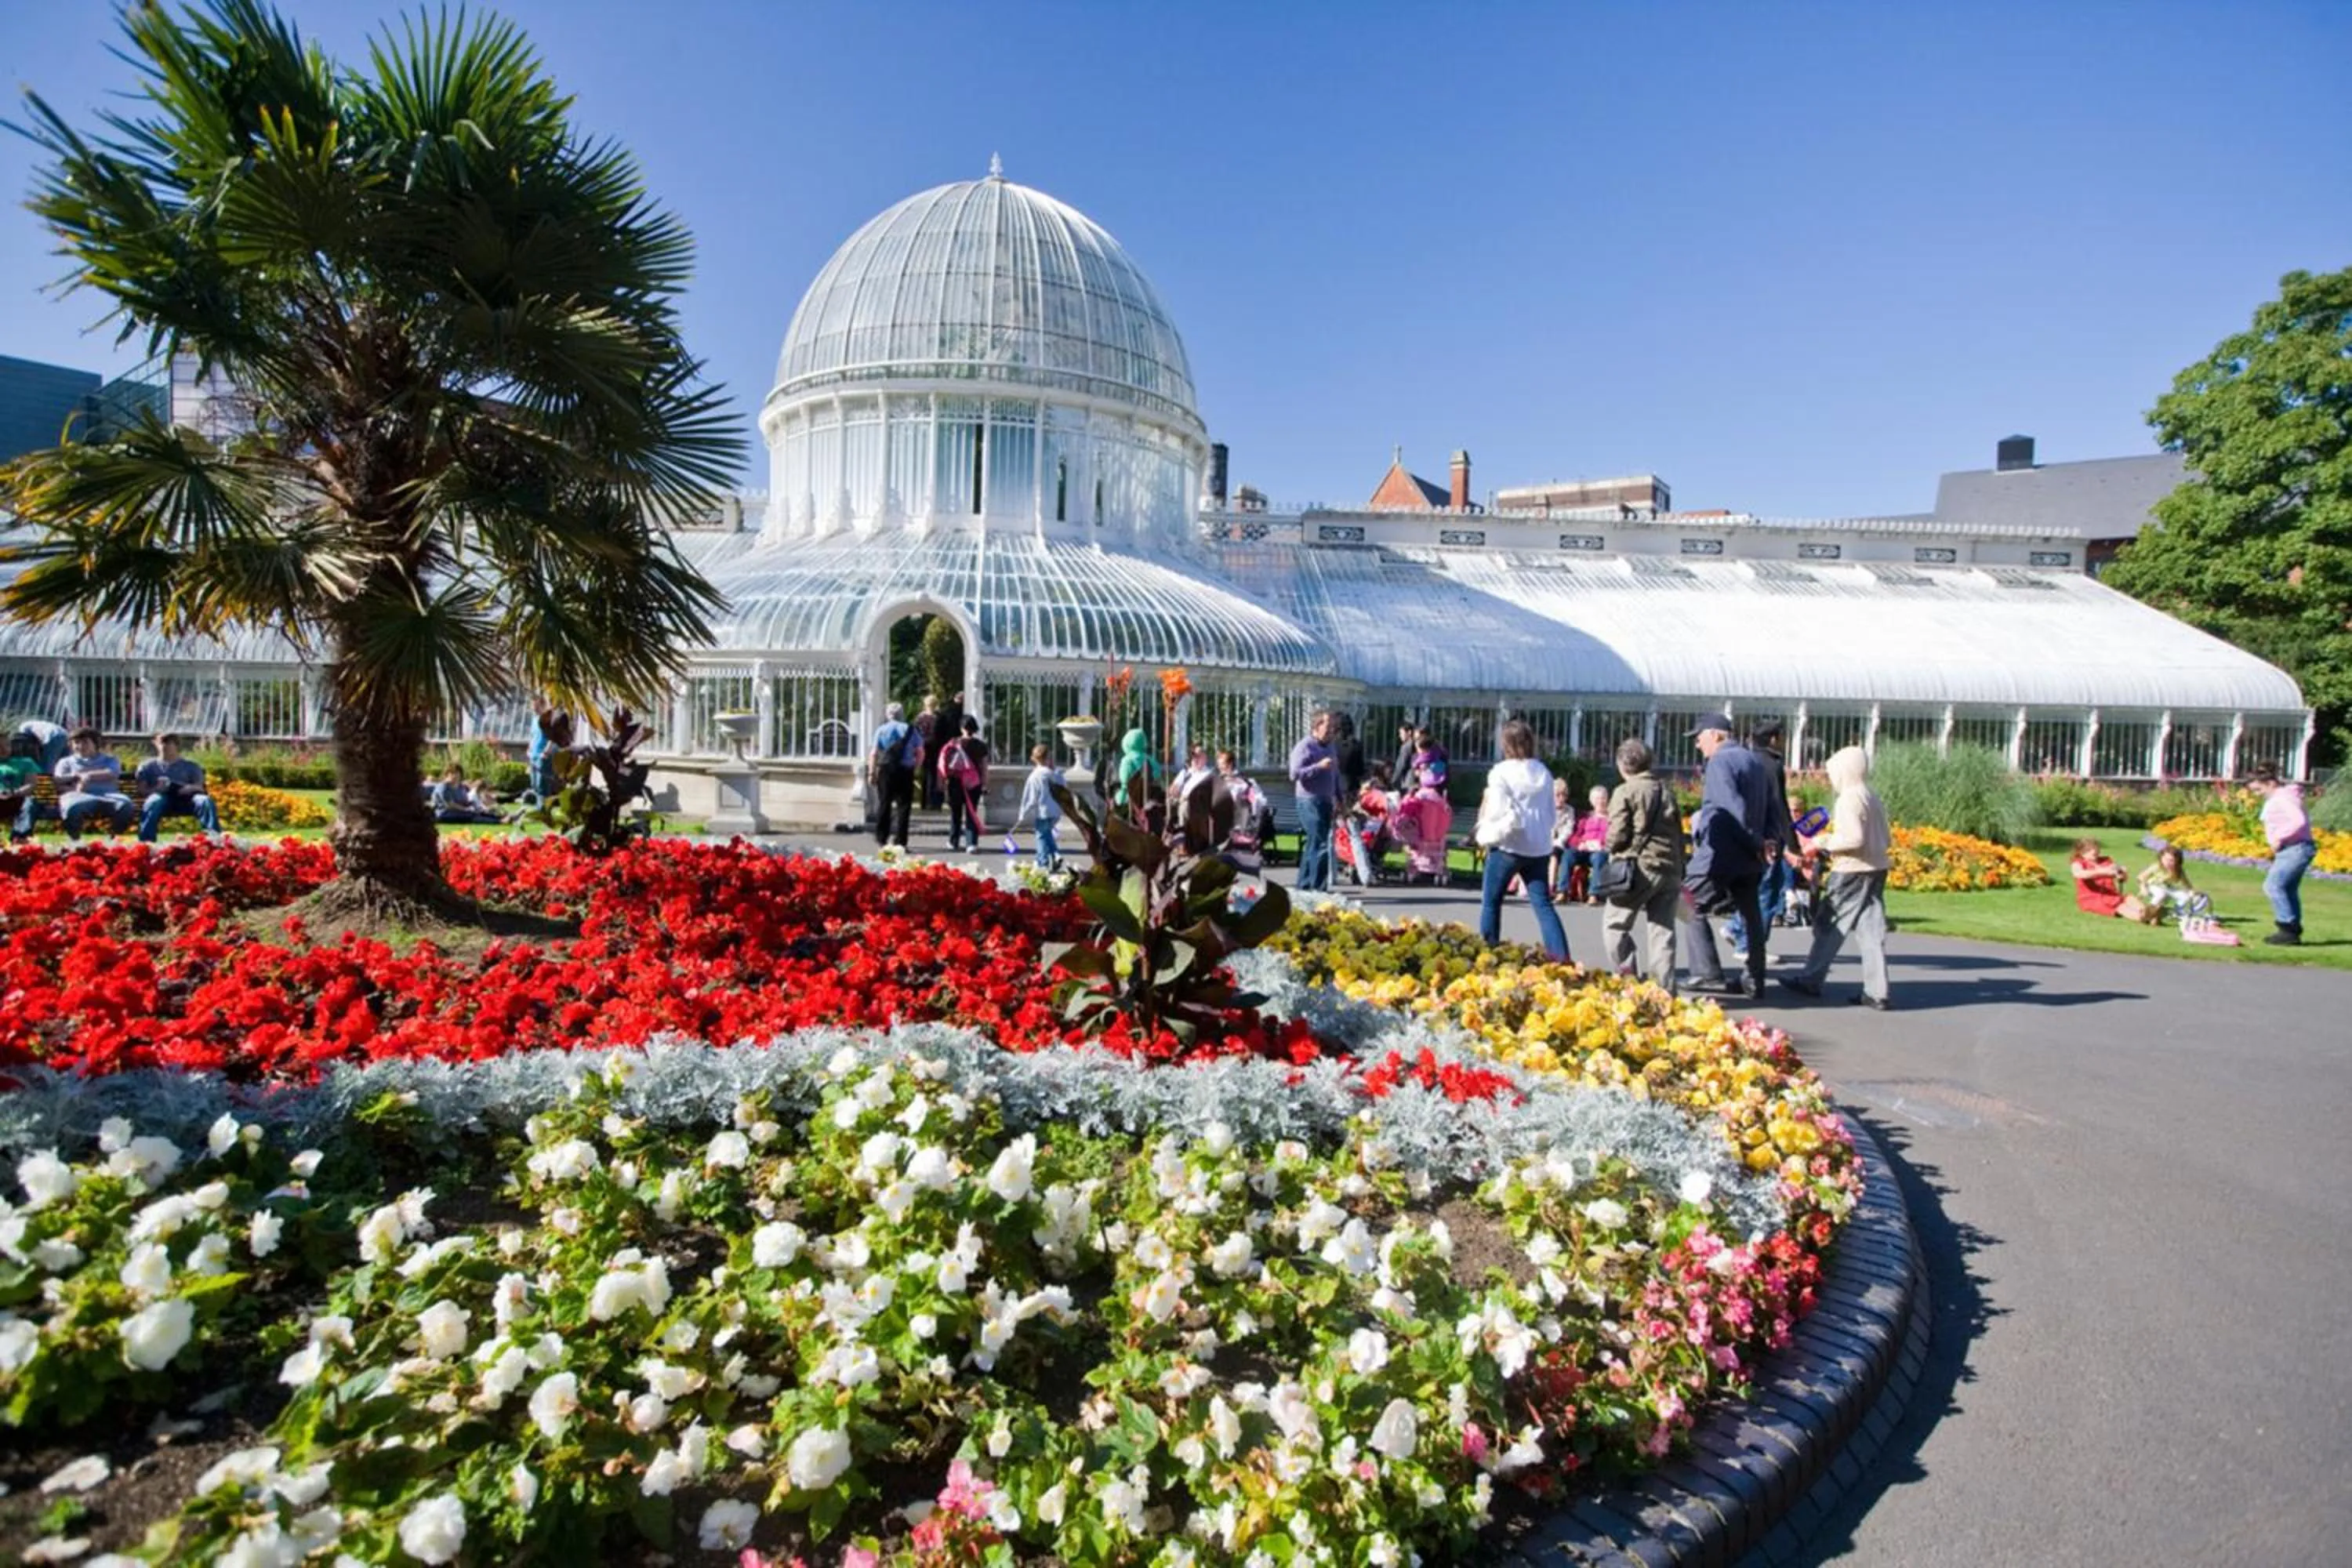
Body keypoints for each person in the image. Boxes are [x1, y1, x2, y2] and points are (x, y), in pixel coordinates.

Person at [1784, 746, 1893, 1010]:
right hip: (1876, 868)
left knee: (1831, 925)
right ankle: (1877, 991)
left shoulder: (1849, 799)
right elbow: (1885, 837)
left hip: (1852, 869)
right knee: (1871, 930)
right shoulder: (1871, 796)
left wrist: (1822, 841)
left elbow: (1853, 838)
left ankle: (1811, 979)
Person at [1679, 712, 1775, 996]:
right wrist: (1767, 841)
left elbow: (1731, 808)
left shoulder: (1720, 761)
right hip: (1750, 855)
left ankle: (1706, 972)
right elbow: (1771, 808)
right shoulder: (1755, 762)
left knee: (1685, 902)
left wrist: (1755, 840)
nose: (1698, 744)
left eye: (1700, 738)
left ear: (1717, 735)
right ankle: (1755, 977)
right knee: (1751, 914)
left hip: (1722, 851)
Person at [1475, 719, 1569, 961]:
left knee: (1491, 902)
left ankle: (1488, 953)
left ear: (1505, 744)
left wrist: (1486, 831)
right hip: (1538, 847)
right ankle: (1561, 957)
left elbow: (1496, 810)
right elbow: (1550, 813)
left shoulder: (1501, 772)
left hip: (1508, 844)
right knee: (1543, 906)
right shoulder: (1543, 772)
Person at [1600, 737, 1683, 990]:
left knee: (1615, 924)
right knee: (1662, 931)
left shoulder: (1625, 791)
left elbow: (1618, 835)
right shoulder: (1665, 790)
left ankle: (1629, 979)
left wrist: (1608, 848)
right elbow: (1678, 832)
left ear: (1622, 765)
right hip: (1670, 867)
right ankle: (1663, 991)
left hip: (1639, 868)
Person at [2249, 760, 2314, 946]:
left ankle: (2287, 928)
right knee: (2287, 888)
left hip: (2296, 848)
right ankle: (2291, 929)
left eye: (2258, 790)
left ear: (2270, 784)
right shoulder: (2278, 799)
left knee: (2273, 886)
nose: (2257, 795)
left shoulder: (2283, 798)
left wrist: (2279, 837)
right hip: (2293, 848)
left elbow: (2298, 821)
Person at [134, 733, 223, 840]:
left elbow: (200, 788)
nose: (166, 746)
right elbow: (142, 790)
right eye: (163, 742)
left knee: (204, 801)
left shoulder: (191, 766)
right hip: (162, 799)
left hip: (187, 799)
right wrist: (156, 789)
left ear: (177, 746)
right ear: (156, 744)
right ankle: (146, 842)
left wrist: (189, 788)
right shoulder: (147, 766)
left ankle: (214, 839)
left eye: (171, 743)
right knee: (153, 801)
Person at [1289, 710, 1341, 892]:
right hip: (1309, 800)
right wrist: (1318, 767)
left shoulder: (1331, 747)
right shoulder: (1305, 747)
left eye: (1333, 728)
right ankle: (1318, 888)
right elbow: (1294, 774)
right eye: (1328, 727)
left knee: (1314, 842)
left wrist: (1339, 799)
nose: (1332, 731)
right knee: (1321, 844)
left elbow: (1335, 775)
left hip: (1326, 800)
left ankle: (1304, 886)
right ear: (1316, 726)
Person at [55, 726, 139, 838]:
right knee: (72, 808)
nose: (80, 746)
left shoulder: (109, 760)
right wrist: (76, 778)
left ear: (95, 743)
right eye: (76, 743)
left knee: (125, 805)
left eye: (85, 742)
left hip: (109, 795)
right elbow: (58, 780)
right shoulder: (66, 762)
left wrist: (88, 776)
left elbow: (112, 773)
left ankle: (114, 839)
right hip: (78, 796)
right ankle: (75, 842)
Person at [869, 702, 922, 849]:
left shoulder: (881, 730)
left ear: (888, 714)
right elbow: (920, 752)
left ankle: (882, 838)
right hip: (905, 770)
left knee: (885, 803)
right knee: (904, 806)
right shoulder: (911, 730)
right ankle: (901, 841)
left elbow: (874, 753)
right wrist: (915, 766)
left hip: (886, 769)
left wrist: (871, 772)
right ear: (902, 714)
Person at [940, 716, 990, 851]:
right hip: (974, 783)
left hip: (955, 781)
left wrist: (944, 780)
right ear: (974, 728)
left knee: (955, 813)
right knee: (971, 812)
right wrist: (984, 784)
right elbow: (984, 767)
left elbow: (944, 763)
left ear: (961, 728)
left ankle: (953, 841)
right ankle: (971, 843)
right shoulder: (981, 746)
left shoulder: (953, 743)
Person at [1217, 750, 1272, 871]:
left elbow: (1259, 801)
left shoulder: (1244, 783)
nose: (1220, 769)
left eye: (1223, 766)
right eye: (1219, 766)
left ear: (1230, 765)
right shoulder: (1216, 782)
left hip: (1237, 823)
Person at [1013, 743, 1065, 869]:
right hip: (1055, 810)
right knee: (1047, 834)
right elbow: (1063, 786)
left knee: (1041, 836)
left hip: (1042, 810)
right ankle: (1055, 855)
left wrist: (1022, 814)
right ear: (1048, 757)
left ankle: (1043, 862)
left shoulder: (1035, 776)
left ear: (1034, 759)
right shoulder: (1054, 774)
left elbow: (1030, 798)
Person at [2136, 845, 2212, 925]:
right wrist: (2143, 888)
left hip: (2168, 887)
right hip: (2154, 885)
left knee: (2185, 897)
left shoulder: (2178, 870)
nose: (2168, 863)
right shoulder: (2157, 866)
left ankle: (2176, 912)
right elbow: (2141, 877)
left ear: (2177, 861)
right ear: (2161, 858)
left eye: (2171, 860)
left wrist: (2192, 892)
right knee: (2161, 894)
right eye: (2165, 859)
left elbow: (2187, 884)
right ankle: (2149, 913)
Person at [1562, 784, 1611, 901]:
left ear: (1607, 799)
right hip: (1584, 849)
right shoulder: (1585, 817)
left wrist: (1602, 844)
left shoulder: (1611, 818)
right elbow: (1574, 837)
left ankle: (1593, 894)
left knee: (1598, 858)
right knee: (1568, 855)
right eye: (1597, 799)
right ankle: (1562, 891)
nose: (1600, 801)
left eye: (1603, 798)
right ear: (1591, 801)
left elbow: (1615, 837)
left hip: (1600, 850)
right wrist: (1580, 844)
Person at [2069, 838, 2129, 917]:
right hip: (2093, 898)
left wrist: (2122, 874)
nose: (2095, 851)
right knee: (2122, 907)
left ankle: (2148, 914)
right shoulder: (2078, 863)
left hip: (2111, 895)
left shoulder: (2106, 861)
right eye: (2090, 849)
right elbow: (2079, 874)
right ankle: (2144, 918)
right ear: (2081, 852)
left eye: (2096, 848)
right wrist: (2102, 872)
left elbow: (2122, 878)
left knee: (2131, 899)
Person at [3, 731, 43, 842]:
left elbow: (32, 785)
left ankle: (19, 838)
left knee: (31, 801)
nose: (3, 749)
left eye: (6, 745)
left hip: (20, 799)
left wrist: (13, 792)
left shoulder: (26, 762)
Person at [430, 764, 503, 825]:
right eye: (452, 774)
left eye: (457, 773)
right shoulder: (443, 787)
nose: (454, 776)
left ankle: (501, 818)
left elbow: (465, 802)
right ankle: (499, 821)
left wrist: (474, 806)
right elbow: (450, 805)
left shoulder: (461, 787)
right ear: (447, 774)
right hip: (444, 813)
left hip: (459, 811)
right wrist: (466, 809)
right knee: (470, 816)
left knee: (480, 812)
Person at [1112, 727, 1160, 810]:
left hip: (1130, 796)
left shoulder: (1127, 760)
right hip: (1150, 794)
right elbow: (1157, 773)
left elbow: (1125, 779)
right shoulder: (1149, 759)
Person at [912, 696, 942, 809]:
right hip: (935, 748)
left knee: (925, 775)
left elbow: (915, 732)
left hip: (923, 747)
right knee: (933, 774)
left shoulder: (920, 718)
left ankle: (924, 802)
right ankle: (933, 801)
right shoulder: (939, 718)